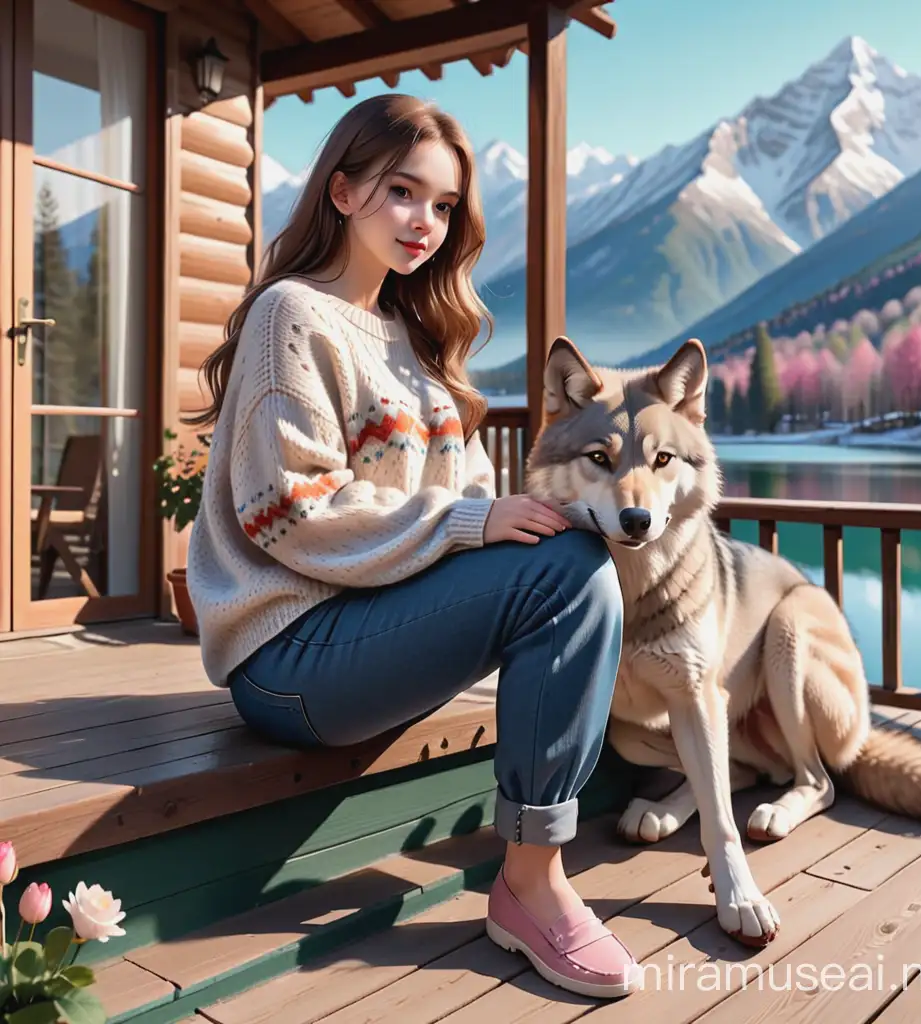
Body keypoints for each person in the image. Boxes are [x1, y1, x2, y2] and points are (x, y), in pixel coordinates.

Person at [183, 93, 639, 998]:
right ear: (343, 191)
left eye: (443, 207)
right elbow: (292, 514)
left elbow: (471, 497)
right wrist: (475, 525)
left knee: (577, 558)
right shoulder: (292, 316)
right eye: (402, 192)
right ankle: (534, 882)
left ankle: (530, 874)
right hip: (288, 655)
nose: (424, 222)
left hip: (377, 634)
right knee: (566, 574)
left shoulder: (417, 347)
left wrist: (533, 514)